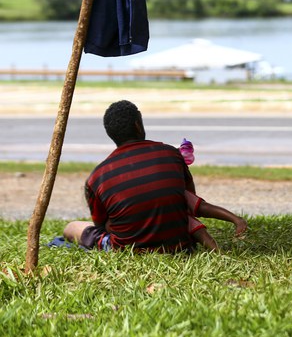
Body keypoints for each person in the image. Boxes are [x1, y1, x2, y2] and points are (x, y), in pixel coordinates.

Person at [63, 100, 246, 252]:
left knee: (72, 227)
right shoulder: (171, 154)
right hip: (179, 243)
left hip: (129, 248)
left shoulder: (97, 177)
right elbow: (188, 197)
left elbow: (101, 225)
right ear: (138, 125)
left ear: (111, 134)